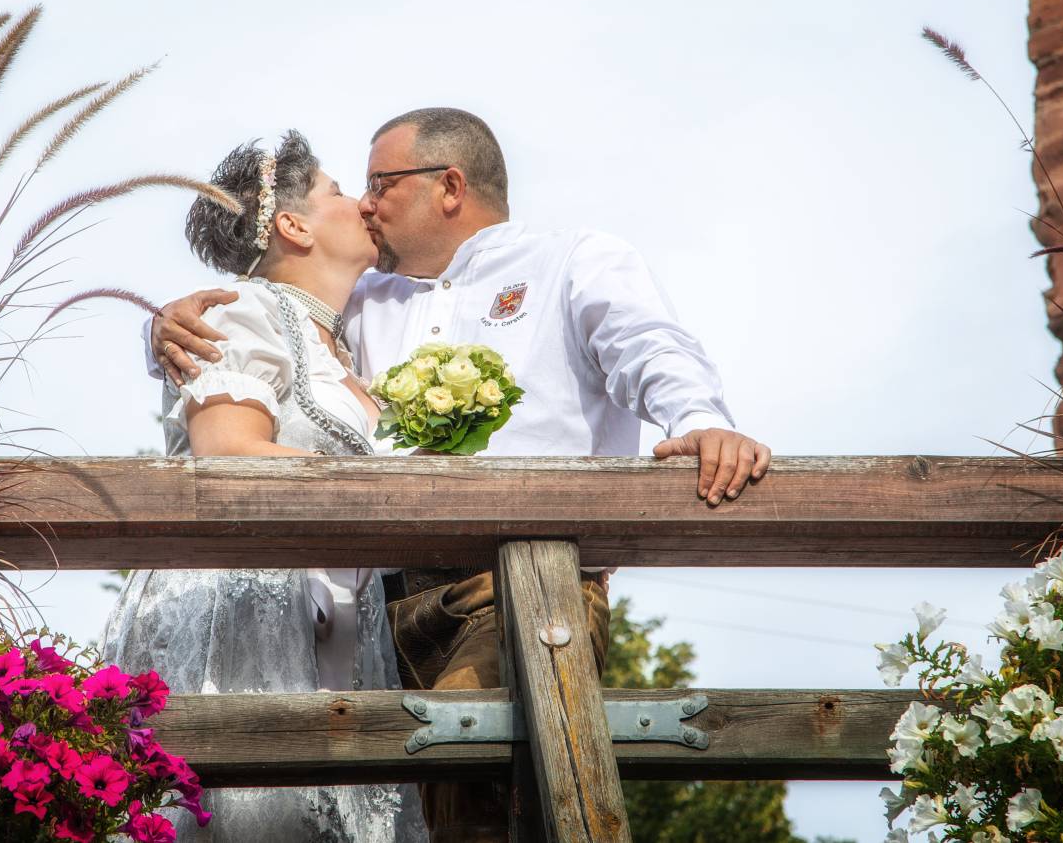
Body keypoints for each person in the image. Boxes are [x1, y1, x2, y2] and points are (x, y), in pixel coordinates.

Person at [149, 107, 772, 843]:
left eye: (380, 183)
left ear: (448, 185)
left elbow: (648, 344)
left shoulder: (569, 259)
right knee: (394, 811)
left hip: (516, 580)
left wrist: (698, 418)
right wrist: (162, 323)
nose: (367, 204)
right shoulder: (362, 300)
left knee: (474, 787)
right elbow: (265, 326)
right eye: (355, 188)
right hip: (375, 610)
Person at [102, 131, 428, 842]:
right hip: (250, 604)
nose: (362, 204)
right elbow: (230, 450)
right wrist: (391, 492)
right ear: (293, 224)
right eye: (339, 191)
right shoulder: (240, 309)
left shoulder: (347, 339)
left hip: (338, 612)